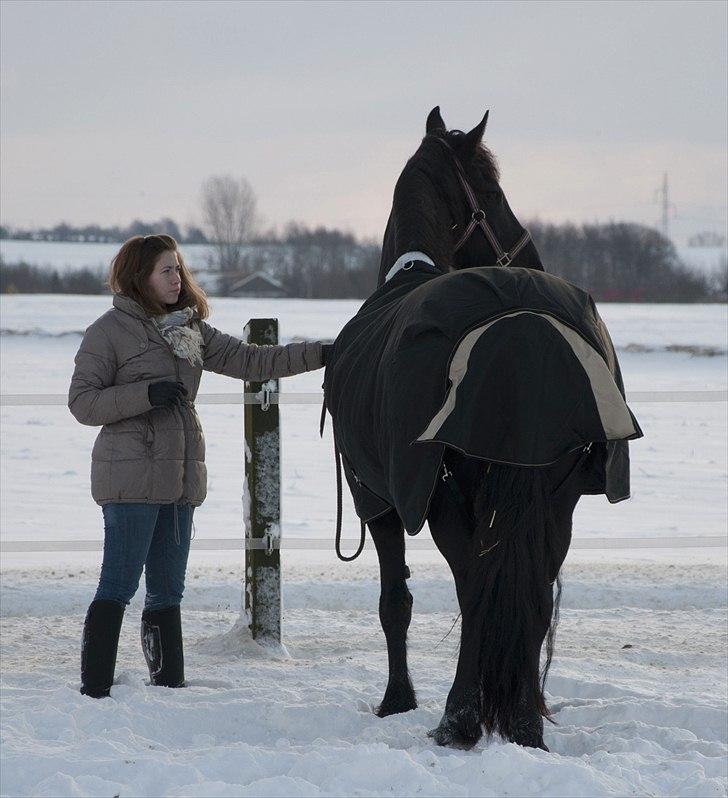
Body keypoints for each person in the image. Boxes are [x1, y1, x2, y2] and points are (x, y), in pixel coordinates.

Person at [68, 234, 328, 698]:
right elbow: (83, 402)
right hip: (129, 478)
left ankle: (168, 685)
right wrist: (144, 395)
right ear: (138, 278)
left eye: (178, 268)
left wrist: (327, 352)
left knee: (168, 591)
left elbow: (255, 360)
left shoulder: (192, 331)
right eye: (165, 270)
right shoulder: (107, 331)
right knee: (118, 584)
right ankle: (95, 691)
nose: (177, 277)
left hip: (180, 478)